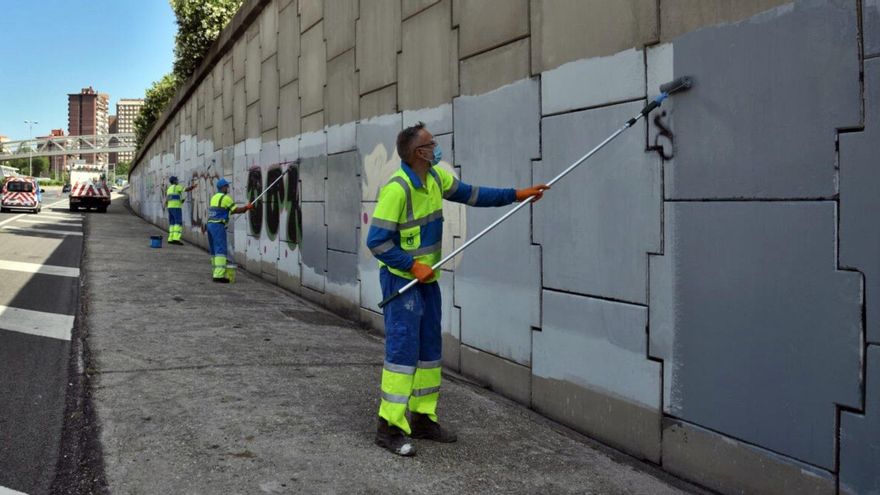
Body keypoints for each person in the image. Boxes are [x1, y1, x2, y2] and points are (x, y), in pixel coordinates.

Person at [366, 122, 550, 456]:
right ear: (418, 153)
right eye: (431, 144)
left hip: (428, 281)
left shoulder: (436, 179)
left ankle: (422, 418)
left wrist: (517, 195)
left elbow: (471, 194)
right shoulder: (398, 189)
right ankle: (389, 426)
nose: (436, 147)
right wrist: (411, 266)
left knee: (429, 352)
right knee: (403, 354)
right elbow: (376, 242)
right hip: (403, 282)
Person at [207, 178, 253, 283]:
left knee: (214, 250)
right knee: (221, 250)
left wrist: (229, 214)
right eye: (227, 186)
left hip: (210, 224)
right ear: (223, 187)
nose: (228, 188)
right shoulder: (226, 198)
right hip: (218, 225)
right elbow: (235, 210)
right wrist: (247, 207)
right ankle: (219, 276)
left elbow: (223, 211)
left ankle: (215, 271)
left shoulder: (214, 197)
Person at [166, 176, 197, 245]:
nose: (177, 180)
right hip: (176, 207)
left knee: (172, 223)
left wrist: (180, 201)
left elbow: (171, 198)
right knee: (178, 222)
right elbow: (186, 189)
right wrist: (193, 186)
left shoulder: (169, 189)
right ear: (174, 181)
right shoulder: (177, 187)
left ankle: (170, 238)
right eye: (176, 180)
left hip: (170, 207)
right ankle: (176, 239)